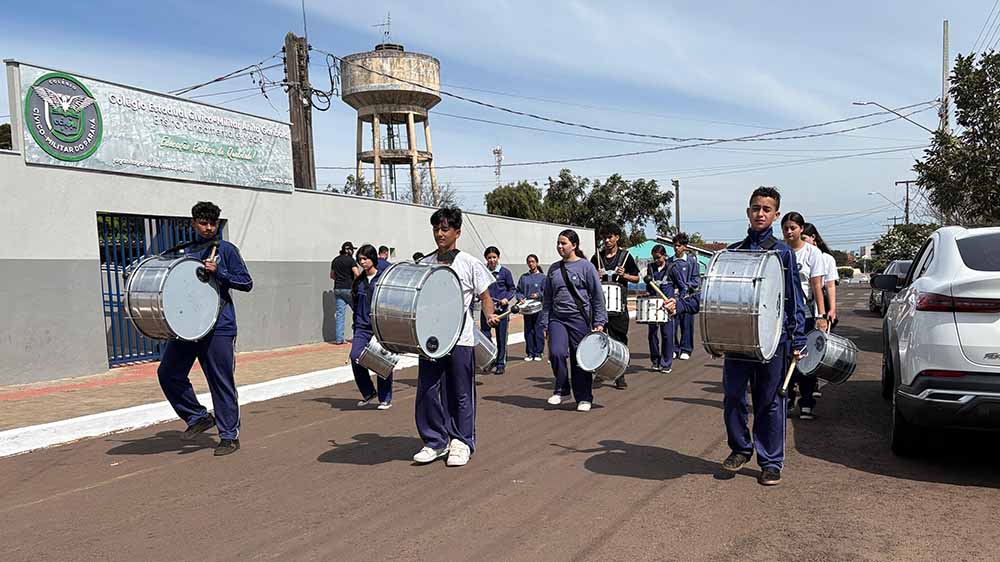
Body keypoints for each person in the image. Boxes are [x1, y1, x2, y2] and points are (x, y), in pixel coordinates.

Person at [719, 187, 806, 486]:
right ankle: (740, 448)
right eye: (756, 208)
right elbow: (719, 294)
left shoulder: (782, 252)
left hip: (773, 341)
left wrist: (797, 338)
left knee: (769, 401)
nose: (760, 213)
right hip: (737, 339)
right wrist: (683, 303)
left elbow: (794, 298)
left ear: (775, 215)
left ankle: (770, 461)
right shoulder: (735, 251)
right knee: (732, 396)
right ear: (748, 212)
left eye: (767, 209)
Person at [157, 201, 253, 456]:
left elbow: (246, 283)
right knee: (168, 373)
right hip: (188, 328)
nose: (208, 228)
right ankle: (197, 416)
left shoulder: (226, 250)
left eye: (213, 223)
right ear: (194, 223)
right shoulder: (185, 252)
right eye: (203, 223)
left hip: (219, 326)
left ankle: (229, 435)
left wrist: (219, 272)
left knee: (220, 381)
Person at [413, 207, 499, 467]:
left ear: (457, 232)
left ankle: (461, 441)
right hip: (430, 340)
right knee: (427, 390)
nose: (439, 234)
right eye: (436, 229)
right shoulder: (425, 263)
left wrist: (490, 319)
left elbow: (485, 297)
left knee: (460, 392)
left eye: (445, 229)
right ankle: (435, 442)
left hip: (460, 338)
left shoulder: (470, 263)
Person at [541, 229, 608, 411]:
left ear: (574, 245)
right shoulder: (554, 269)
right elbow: (547, 298)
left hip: (579, 319)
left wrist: (599, 322)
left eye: (563, 243)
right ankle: (562, 390)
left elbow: (597, 296)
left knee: (580, 359)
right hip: (557, 318)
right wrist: (545, 322)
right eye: (558, 243)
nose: (560, 246)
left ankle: (584, 397)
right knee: (556, 353)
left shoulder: (586, 267)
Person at [782, 212, 829, 421]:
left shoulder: (812, 253)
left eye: (793, 227)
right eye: (786, 228)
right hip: (782, 315)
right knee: (784, 359)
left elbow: (817, 285)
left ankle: (807, 402)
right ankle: (787, 399)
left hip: (806, 314)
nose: (789, 231)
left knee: (805, 360)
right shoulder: (779, 251)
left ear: (801, 229)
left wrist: (821, 315)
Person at [591, 223, 640, 389]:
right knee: (599, 340)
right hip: (600, 308)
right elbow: (589, 280)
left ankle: (620, 375)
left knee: (619, 341)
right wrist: (595, 276)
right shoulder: (596, 257)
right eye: (604, 237)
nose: (607, 240)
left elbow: (637, 278)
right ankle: (600, 370)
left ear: (617, 237)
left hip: (619, 309)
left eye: (610, 237)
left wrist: (624, 274)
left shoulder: (626, 256)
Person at [348, 244, 393, 410]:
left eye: (365, 259)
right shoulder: (359, 281)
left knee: (382, 361)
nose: (362, 262)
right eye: (360, 259)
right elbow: (356, 303)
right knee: (355, 356)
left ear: (373, 259)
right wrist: (356, 324)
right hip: (361, 326)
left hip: (379, 326)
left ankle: (385, 398)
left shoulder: (382, 279)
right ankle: (368, 392)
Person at [644, 244, 687, 373]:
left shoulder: (672, 268)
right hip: (653, 305)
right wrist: (647, 293)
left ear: (664, 256)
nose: (656, 260)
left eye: (658, 257)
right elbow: (648, 285)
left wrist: (678, 302)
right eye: (654, 258)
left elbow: (683, 287)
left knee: (667, 335)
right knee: (652, 334)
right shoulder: (650, 268)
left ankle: (666, 363)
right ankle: (655, 361)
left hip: (667, 306)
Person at [481, 246, 516, 374]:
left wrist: (506, 298)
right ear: (486, 258)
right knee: (485, 336)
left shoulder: (505, 272)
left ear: (498, 258)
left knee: (501, 337)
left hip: (502, 310)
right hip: (487, 310)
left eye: (494, 257)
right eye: (489, 258)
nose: (492, 260)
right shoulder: (483, 271)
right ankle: (490, 359)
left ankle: (500, 363)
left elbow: (512, 288)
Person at [802, 223, 838, 328]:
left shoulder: (827, 259)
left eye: (803, 238)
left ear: (813, 237)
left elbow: (830, 286)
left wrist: (832, 309)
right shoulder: (795, 255)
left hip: (817, 309)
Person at [671, 233, 698, 361]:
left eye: (679, 245)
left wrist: (687, 286)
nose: (676, 248)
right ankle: (674, 348)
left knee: (686, 324)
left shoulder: (691, 261)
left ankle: (686, 349)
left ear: (685, 246)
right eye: (674, 245)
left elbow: (696, 279)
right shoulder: (670, 262)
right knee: (672, 324)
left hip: (688, 298)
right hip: (673, 298)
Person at [516, 254, 546, 361]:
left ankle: (538, 352)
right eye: (529, 262)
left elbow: (547, 292)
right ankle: (530, 352)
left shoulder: (543, 277)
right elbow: (518, 290)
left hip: (538, 308)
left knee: (538, 329)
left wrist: (539, 295)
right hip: (527, 308)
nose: (531, 263)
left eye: (533, 261)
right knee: (528, 330)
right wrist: (520, 298)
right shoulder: (524, 277)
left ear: (537, 263)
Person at [330, 241, 360, 345]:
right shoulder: (351, 260)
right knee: (357, 311)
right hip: (349, 289)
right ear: (349, 250)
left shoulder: (335, 260)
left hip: (337, 289)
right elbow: (356, 273)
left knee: (340, 314)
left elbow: (332, 275)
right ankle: (357, 336)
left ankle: (339, 339)